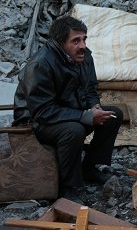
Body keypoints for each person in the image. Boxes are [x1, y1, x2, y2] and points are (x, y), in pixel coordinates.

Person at [12, 15, 123, 202]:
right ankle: (70, 188)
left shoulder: (84, 56)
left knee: (113, 115)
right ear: (60, 42)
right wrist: (84, 116)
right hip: (36, 121)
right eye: (76, 40)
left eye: (84, 39)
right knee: (74, 130)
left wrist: (93, 106)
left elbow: (90, 88)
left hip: (69, 111)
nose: (82, 45)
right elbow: (43, 111)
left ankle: (90, 168)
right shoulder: (40, 65)